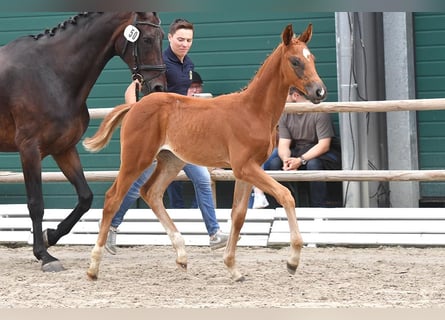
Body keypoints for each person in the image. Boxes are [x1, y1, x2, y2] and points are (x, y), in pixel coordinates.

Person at [103, 19, 228, 255]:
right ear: (169, 38)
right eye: (180, 39)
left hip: (181, 135)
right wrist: (137, 119)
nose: (184, 44)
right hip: (156, 133)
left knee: (202, 179)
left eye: (189, 40)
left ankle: (214, 233)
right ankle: (112, 226)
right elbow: (132, 90)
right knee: (137, 182)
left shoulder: (188, 64)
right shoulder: (157, 61)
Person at [262, 86, 341, 207]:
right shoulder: (285, 113)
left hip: (321, 154)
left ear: (295, 96)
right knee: (274, 164)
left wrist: (300, 160)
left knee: (314, 164)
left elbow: (324, 145)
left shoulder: (318, 111)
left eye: (285, 95)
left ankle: (319, 209)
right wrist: (286, 161)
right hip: (298, 152)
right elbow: (284, 144)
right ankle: (283, 206)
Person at [167, 71, 204, 209]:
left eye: (198, 86)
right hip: (178, 152)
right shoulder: (176, 108)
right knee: (170, 176)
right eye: (191, 87)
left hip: (201, 154)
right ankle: (177, 208)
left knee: (203, 177)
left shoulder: (206, 106)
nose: (195, 91)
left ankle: (196, 209)